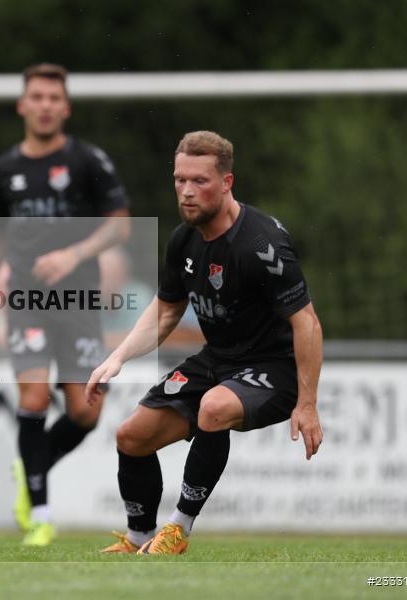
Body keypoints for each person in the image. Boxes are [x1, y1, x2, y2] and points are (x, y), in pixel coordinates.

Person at [87, 131, 323, 555]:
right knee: (131, 436)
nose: (187, 191)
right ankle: (139, 537)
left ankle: (177, 531)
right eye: (180, 180)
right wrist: (117, 357)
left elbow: (306, 323)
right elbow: (165, 312)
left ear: (227, 182)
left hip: (273, 367)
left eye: (200, 181)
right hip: (216, 361)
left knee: (214, 407)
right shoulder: (184, 239)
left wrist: (306, 403)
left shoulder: (263, 244)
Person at [0, 63, 131, 546]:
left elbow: (120, 225)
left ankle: (31, 468)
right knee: (35, 398)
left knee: (85, 412)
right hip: (27, 302)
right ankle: (40, 513)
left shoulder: (88, 162)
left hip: (80, 301)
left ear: (65, 107)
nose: (44, 106)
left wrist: (74, 253)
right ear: (23, 105)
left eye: (53, 98)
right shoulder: (4, 171)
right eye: (36, 97)